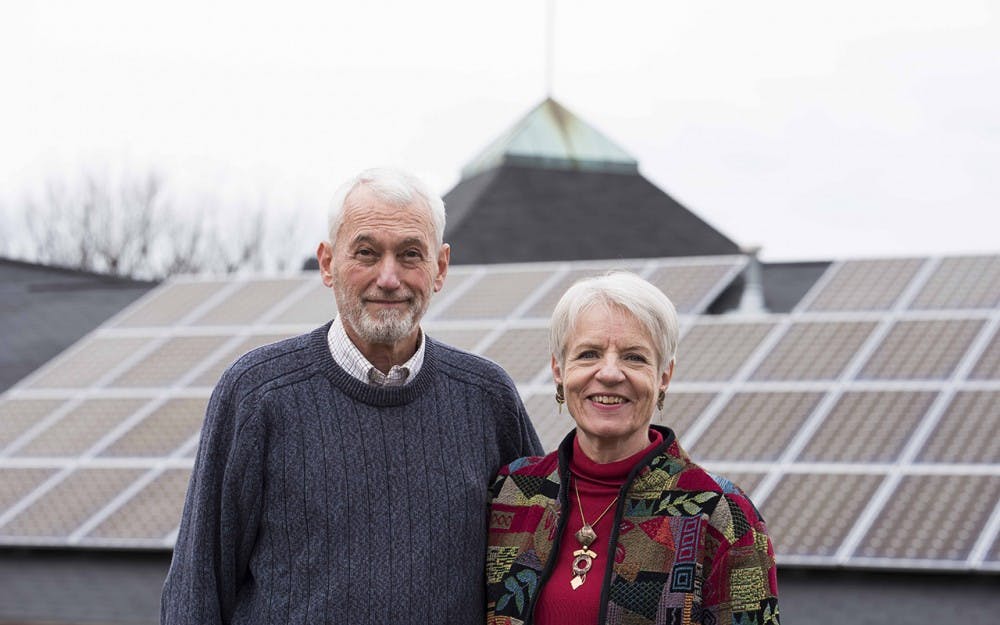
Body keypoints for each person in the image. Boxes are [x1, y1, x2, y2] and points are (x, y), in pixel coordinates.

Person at [161, 167, 543, 625]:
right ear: (327, 263)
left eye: (409, 255)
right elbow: (197, 587)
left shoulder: (487, 399)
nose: (388, 277)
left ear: (439, 268)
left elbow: (537, 567)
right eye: (366, 253)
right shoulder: (256, 394)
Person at [486, 272, 778, 625]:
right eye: (589, 354)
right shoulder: (512, 493)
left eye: (634, 357)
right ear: (559, 370)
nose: (609, 373)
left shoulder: (721, 516)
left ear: (664, 377)